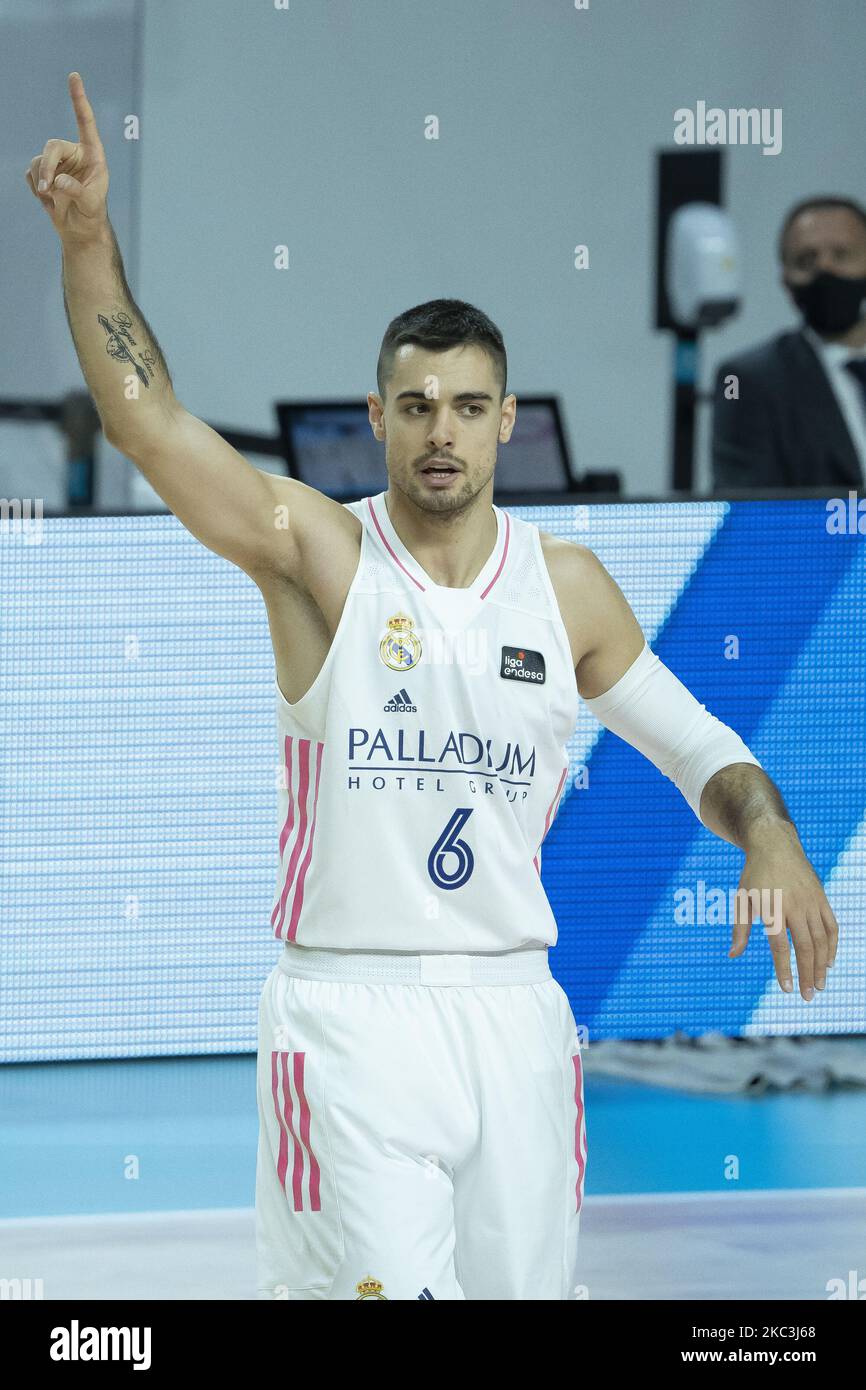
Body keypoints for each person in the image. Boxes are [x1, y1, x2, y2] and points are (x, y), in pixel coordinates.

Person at [28, 72, 839, 1301]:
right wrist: (89, 242)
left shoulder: (563, 589)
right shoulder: (318, 553)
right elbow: (149, 426)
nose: (440, 430)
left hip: (516, 1018)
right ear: (378, 418)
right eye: (414, 406)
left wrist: (769, 837)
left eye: (466, 404)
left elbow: (700, 751)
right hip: (348, 1016)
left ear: (506, 418)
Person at [711, 196, 866, 492]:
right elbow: (751, 510)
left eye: (842, 255)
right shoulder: (749, 381)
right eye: (806, 261)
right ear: (785, 278)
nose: (826, 270)